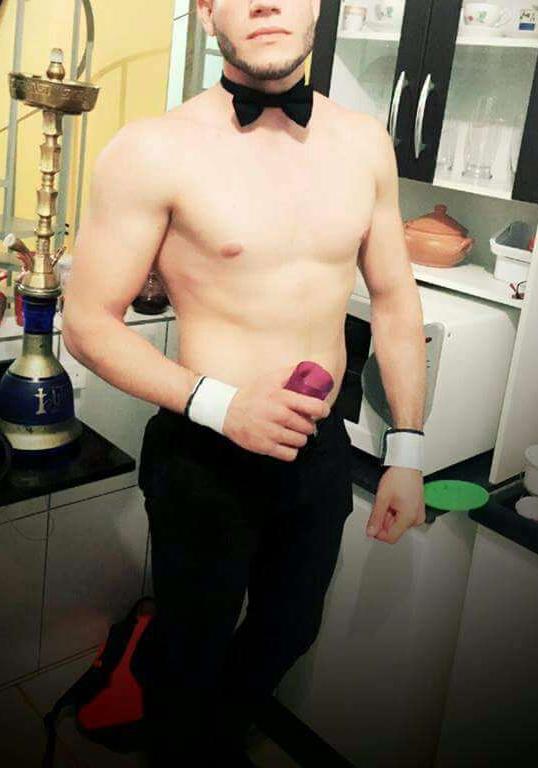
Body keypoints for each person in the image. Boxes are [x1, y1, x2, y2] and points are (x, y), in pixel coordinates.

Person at [62, 1, 427, 764]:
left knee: (290, 630)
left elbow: (395, 302)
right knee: (189, 647)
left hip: (318, 449)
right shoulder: (153, 149)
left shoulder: (365, 142)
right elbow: (89, 324)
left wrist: (408, 452)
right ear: (206, 12)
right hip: (205, 454)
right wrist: (222, 405)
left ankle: (210, 738)